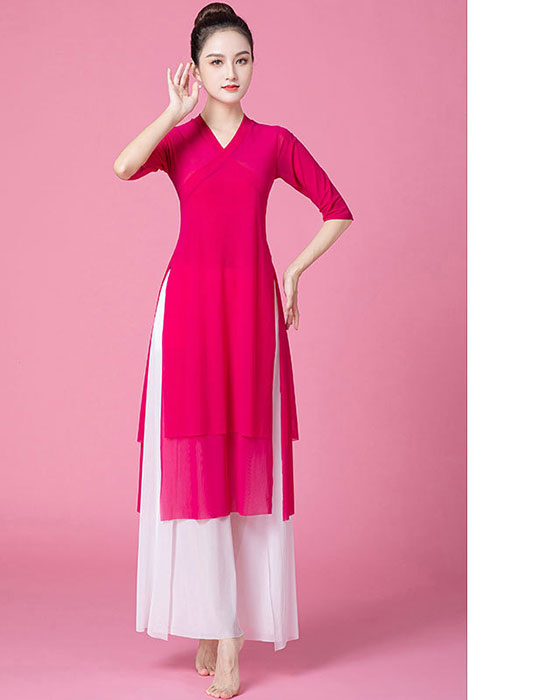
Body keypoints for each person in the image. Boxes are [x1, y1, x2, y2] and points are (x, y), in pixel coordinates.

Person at [113, 3, 354, 697]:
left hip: (251, 313)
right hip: (187, 313)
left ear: (254, 66)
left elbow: (337, 209)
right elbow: (123, 166)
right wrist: (172, 110)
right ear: (196, 68)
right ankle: (214, 622)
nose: (230, 72)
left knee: (246, 465)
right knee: (197, 466)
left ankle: (232, 636)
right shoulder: (180, 140)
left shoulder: (274, 142)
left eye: (241, 60)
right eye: (216, 61)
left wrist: (293, 271)